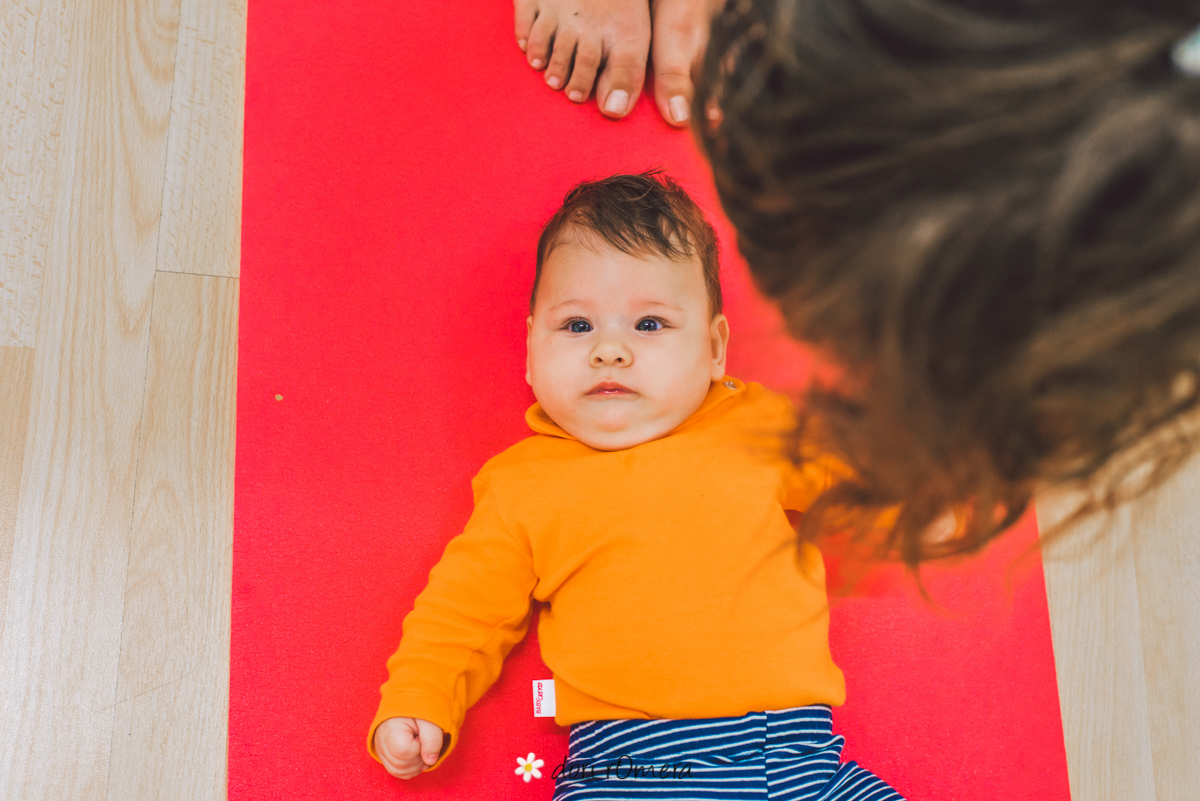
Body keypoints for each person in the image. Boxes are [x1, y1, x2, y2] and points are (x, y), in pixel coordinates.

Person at [368, 172, 906, 799]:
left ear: (714, 349)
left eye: (649, 325)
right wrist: (420, 698)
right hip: (626, 771)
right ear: (529, 349)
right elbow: (463, 612)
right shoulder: (524, 485)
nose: (610, 351)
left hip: (789, 761)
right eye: (576, 327)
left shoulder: (760, 425)